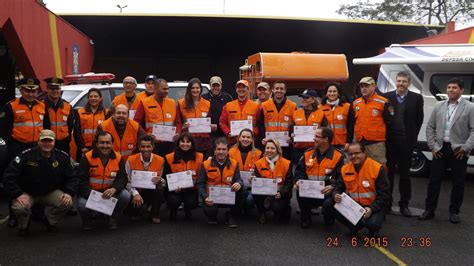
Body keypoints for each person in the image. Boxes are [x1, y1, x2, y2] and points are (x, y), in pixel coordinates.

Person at [3, 130, 77, 236]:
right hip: (28, 193)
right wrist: (18, 194)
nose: (47, 144)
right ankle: (23, 225)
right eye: (44, 141)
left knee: (67, 203)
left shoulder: (62, 157)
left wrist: (69, 192)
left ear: (54, 142)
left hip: (49, 192)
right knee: (20, 208)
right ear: (38, 141)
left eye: (50, 141)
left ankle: (50, 221)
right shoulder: (26, 156)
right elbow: (8, 176)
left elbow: (72, 177)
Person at [419, 78, 474, 224]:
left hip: (458, 150)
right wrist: (433, 146)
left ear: (461, 90)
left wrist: (466, 148)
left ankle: (454, 212)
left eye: (454, 87)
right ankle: (429, 210)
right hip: (440, 148)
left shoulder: (469, 107)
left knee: (458, 183)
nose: (450, 90)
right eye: (448, 87)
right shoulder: (439, 106)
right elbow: (430, 127)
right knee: (434, 181)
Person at [0, 77, 45, 228]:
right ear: (21, 90)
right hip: (17, 148)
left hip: (36, 148)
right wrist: (13, 142)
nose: (31, 94)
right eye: (27, 90)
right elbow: (4, 129)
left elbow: (47, 127)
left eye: (34, 91)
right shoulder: (10, 106)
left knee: (38, 178)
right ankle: (14, 215)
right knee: (15, 179)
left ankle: (38, 212)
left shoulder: (42, 106)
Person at [383, 72, 424, 216]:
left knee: (405, 176)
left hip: (406, 144)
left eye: (404, 81)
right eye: (399, 81)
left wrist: (412, 139)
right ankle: (387, 203)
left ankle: (404, 204)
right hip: (390, 143)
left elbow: (419, 120)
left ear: (409, 83)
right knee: (389, 175)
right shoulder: (386, 97)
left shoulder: (417, 98)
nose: (401, 84)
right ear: (395, 81)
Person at [333, 142, 390, 237]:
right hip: (355, 206)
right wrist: (335, 195)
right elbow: (338, 188)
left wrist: (371, 209)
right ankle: (355, 226)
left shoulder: (377, 168)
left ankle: (372, 229)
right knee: (331, 205)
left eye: (357, 153)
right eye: (350, 154)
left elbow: (384, 195)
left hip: (373, 206)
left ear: (364, 153)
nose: (354, 156)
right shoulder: (345, 169)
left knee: (373, 224)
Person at [77, 131, 131, 230]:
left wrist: (114, 189)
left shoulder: (118, 158)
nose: (105, 146)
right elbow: (81, 180)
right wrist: (92, 196)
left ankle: (113, 217)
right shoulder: (87, 158)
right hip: (91, 193)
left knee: (125, 195)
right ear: (96, 144)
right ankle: (87, 220)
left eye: (107, 142)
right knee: (81, 204)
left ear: (112, 144)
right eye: (102, 143)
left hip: (109, 193)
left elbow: (122, 178)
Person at [294, 127, 344, 228]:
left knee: (329, 203)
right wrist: (298, 181)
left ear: (325, 139)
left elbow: (342, 178)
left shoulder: (338, 156)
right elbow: (299, 170)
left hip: (327, 192)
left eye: (317, 136)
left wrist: (333, 186)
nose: (313, 139)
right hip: (310, 190)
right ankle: (306, 218)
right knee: (300, 190)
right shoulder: (307, 153)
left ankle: (329, 218)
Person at [197, 137, 244, 228]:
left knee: (242, 190)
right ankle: (212, 216)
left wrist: (238, 183)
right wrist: (205, 197)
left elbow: (239, 179)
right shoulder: (206, 164)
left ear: (227, 151)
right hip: (211, 198)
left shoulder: (234, 163)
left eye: (224, 149)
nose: (221, 152)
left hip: (229, 196)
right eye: (218, 149)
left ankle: (231, 215)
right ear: (214, 150)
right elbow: (200, 183)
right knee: (210, 211)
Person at [134, 78, 182, 156]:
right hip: (153, 143)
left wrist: (178, 133)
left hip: (170, 143)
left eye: (167, 89)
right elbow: (136, 123)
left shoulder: (172, 103)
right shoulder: (145, 102)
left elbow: (178, 122)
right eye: (164, 89)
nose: (167, 91)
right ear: (155, 89)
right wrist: (145, 135)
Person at [352, 77, 393, 164]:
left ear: (374, 86)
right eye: (362, 87)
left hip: (376, 144)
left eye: (367, 86)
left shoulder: (383, 102)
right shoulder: (356, 103)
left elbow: (390, 124)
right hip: (360, 143)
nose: (364, 89)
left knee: (378, 169)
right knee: (360, 168)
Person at [125, 135, 165, 224]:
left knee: (160, 187)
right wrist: (135, 193)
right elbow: (126, 180)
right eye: (143, 146)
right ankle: (138, 210)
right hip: (136, 190)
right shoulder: (130, 160)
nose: (146, 149)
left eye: (148, 146)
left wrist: (160, 180)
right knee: (133, 214)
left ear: (153, 147)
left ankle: (155, 213)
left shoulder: (160, 160)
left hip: (151, 190)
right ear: (139, 147)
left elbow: (162, 179)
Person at [164, 132, 203, 220]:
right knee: (173, 201)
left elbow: (202, 176)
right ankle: (173, 209)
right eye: (182, 141)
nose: (185, 144)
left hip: (192, 189)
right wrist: (173, 188)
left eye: (188, 142)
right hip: (175, 190)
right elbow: (166, 176)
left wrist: (195, 182)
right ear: (178, 143)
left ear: (192, 144)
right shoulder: (169, 157)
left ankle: (187, 209)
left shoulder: (200, 157)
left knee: (191, 203)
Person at [253, 139, 293, 224]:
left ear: (277, 150)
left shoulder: (286, 163)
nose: (269, 150)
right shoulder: (258, 163)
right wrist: (254, 180)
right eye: (267, 148)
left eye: (272, 148)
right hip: (264, 194)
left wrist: (281, 193)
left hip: (279, 194)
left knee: (279, 210)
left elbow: (289, 183)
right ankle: (262, 212)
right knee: (255, 192)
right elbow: (258, 183)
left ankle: (284, 209)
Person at [258, 81, 297, 159]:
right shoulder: (265, 105)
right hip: (269, 145)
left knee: (285, 168)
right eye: (277, 88)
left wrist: (292, 138)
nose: (279, 90)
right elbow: (261, 125)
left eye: (281, 89)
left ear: (285, 91)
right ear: (273, 90)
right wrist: (263, 138)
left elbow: (295, 125)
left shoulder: (292, 106)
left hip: (286, 145)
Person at [178, 78, 217, 154]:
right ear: (189, 89)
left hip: (204, 141)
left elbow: (211, 121)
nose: (195, 90)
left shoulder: (207, 103)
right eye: (192, 88)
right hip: (187, 141)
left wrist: (212, 126)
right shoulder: (181, 103)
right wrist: (183, 127)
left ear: (201, 89)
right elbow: (178, 122)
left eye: (197, 88)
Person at [228, 129, 262, 212]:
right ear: (239, 138)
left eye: (248, 137)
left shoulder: (258, 153)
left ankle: (247, 208)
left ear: (252, 139)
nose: (245, 139)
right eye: (243, 137)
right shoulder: (230, 152)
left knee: (249, 201)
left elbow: (262, 173)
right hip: (235, 185)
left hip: (251, 187)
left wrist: (256, 177)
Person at [219, 80, 259, 144]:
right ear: (236, 90)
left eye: (243, 87)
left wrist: (252, 132)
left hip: (249, 142)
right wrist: (228, 132)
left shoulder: (256, 106)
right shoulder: (228, 106)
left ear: (248, 89)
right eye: (239, 87)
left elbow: (259, 125)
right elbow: (222, 122)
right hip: (233, 141)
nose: (241, 89)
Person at [74, 88, 110, 160]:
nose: (93, 98)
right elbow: (76, 131)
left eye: (96, 96)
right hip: (84, 149)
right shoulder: (80, 112)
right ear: (88, 98)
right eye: (91, 96)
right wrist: (82, 147)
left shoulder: (106, 113)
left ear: (100, 98)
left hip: (100, 148)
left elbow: (108, 131)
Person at [292, 89, 326, 164]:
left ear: (313, 99)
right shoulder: (296, 113)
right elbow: (291, 131)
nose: (304, 100)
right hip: (299, 150)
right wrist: (292, 136)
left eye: (306, 98)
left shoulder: (321, 114)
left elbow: (325, 132)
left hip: (315, 149)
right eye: (303, 98)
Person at [42, 77, 74, 154]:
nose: (55, 91)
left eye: (57, 89)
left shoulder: (67, 106)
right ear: (47, 89)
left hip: (63, 144)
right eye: (52, 89)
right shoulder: (41, 105)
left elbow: (70, 126)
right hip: (46, 143)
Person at [320, 82, 354, 151]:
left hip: (342, 144)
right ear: (326, 93)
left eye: (334, 91)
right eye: (329, 91)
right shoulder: (320, 108)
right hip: (325, 143)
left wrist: (348, 142)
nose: (332, 93)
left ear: (338, 93)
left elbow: (350, 126)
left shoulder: (347, 106)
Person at [202, 76, 233, 140]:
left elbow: (230, 116)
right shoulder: (203, 98)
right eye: (213, 86)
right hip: (207, 135)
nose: (215, 88)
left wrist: (218, 127)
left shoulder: (227, 98)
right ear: (210, 86)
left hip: (223, 134)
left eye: (218, 85)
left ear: (221, 86)